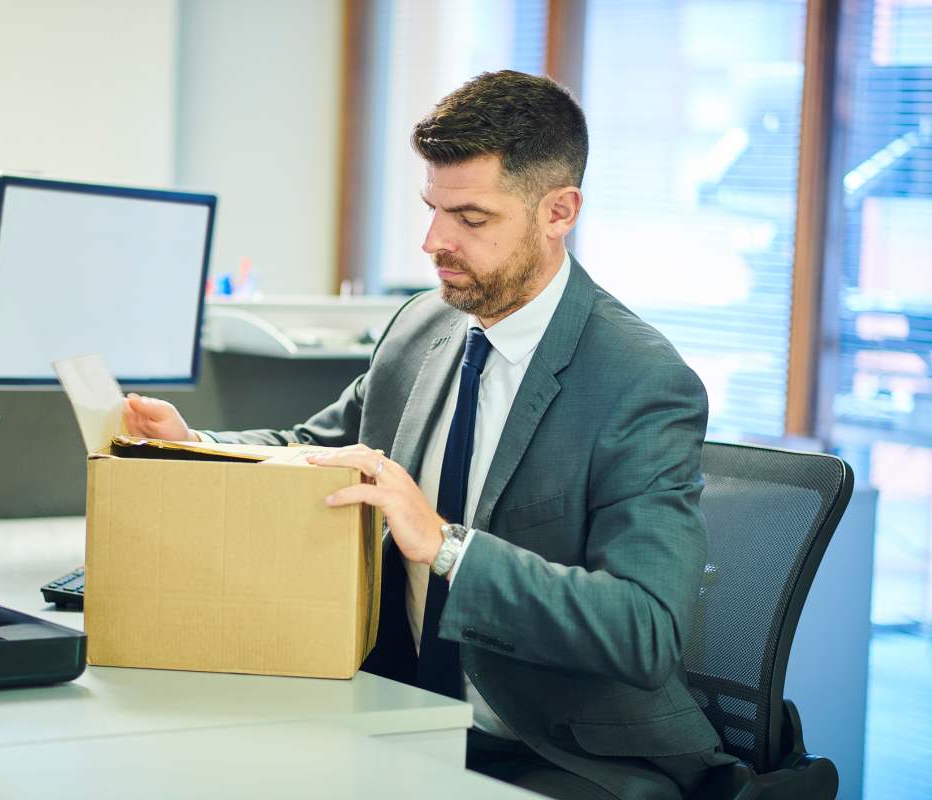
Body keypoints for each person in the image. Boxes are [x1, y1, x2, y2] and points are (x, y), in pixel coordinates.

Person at [123, 70, 734, 800]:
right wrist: (192, 443)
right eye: (432, 209)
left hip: (552, 745)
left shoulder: (639, 380)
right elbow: (316, 446)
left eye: (471, 219)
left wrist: (445, 544)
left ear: (558, 211)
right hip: (395, 707)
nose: (433, 242)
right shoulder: (424, 324)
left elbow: (646, 629)